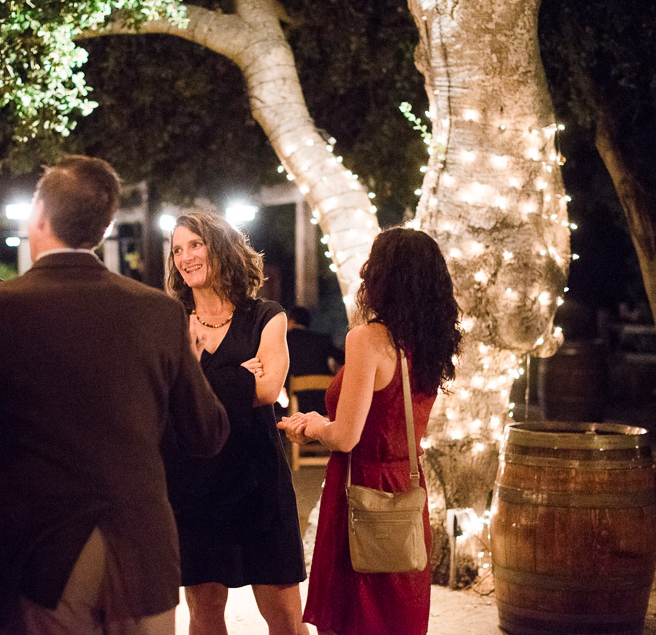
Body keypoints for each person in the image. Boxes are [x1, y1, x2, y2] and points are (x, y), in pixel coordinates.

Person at [0, 155, 228, 634]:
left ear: (40, 216)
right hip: (144, 547)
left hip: (43, 552)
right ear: (105, 227)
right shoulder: (158, 312)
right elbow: (207, 434)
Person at [279, 227, 462, 635]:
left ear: (382, 277)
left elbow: (347, 437)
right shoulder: (429, 343)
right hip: (407, 486)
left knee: (354, 618)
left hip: (360, 489)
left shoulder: (367, 339)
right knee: (396, 611)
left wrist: (314, 425)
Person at [164, 211, 308, 635]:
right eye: (177, 249)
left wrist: (193, 376)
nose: (185, 257)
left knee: (285, 618)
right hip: (194, 480)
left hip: (258, 477)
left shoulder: (267, 315)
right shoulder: (170, 319)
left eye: (195, 244)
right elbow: (163, 395)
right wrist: (241, 377)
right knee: (205, 612)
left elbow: (269, 389)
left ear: (222, 248)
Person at [286, 306, 344, 415]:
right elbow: (342, 358)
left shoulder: (286, 339)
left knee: (301, 421)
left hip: (300, 391)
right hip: (324, 389)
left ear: (291, 320)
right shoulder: (322, 339)